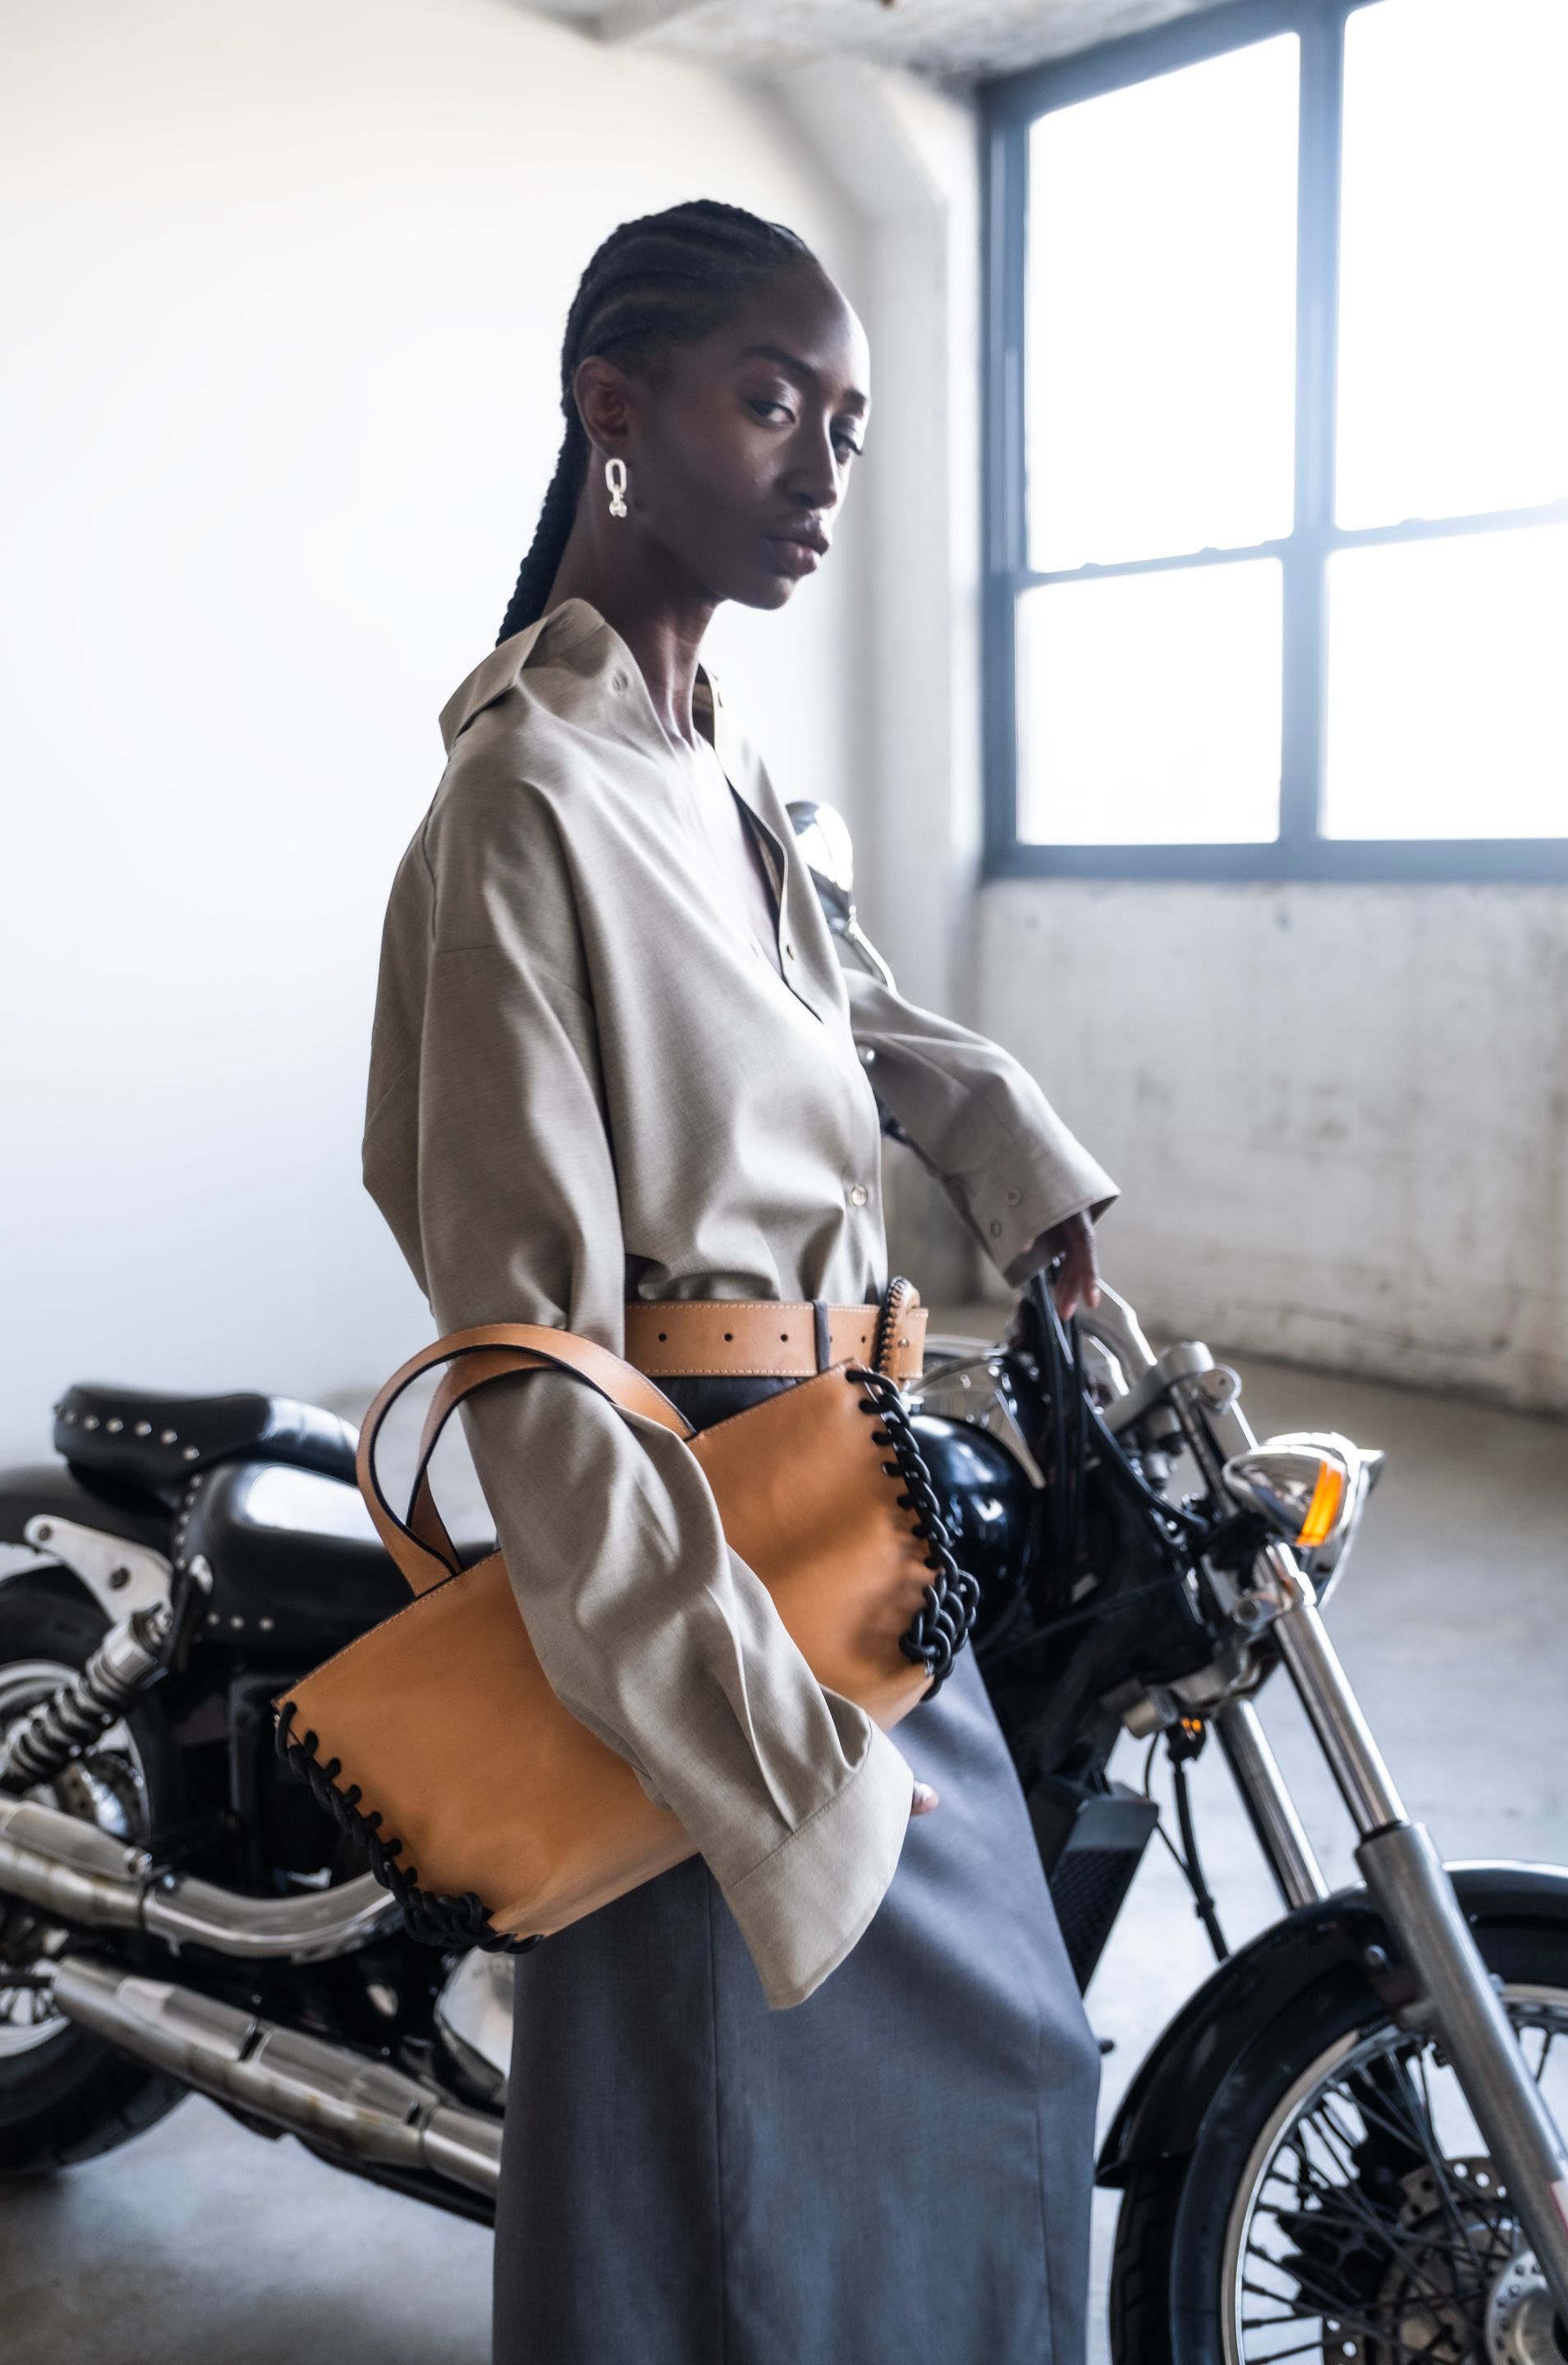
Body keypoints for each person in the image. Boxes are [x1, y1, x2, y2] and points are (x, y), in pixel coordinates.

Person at [363, 199, 1117, 2365]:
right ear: (615, 409)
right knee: (720, 2197)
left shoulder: (722, 773)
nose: (818, 469)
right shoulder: (520, 802)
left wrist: (1016, 1160)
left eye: (849, 428)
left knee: (973, 2103)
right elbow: (531, 1358)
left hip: (851, 1498)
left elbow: (844, 1017)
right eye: (772, 399)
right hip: (693, 1557)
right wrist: (767, 1766)